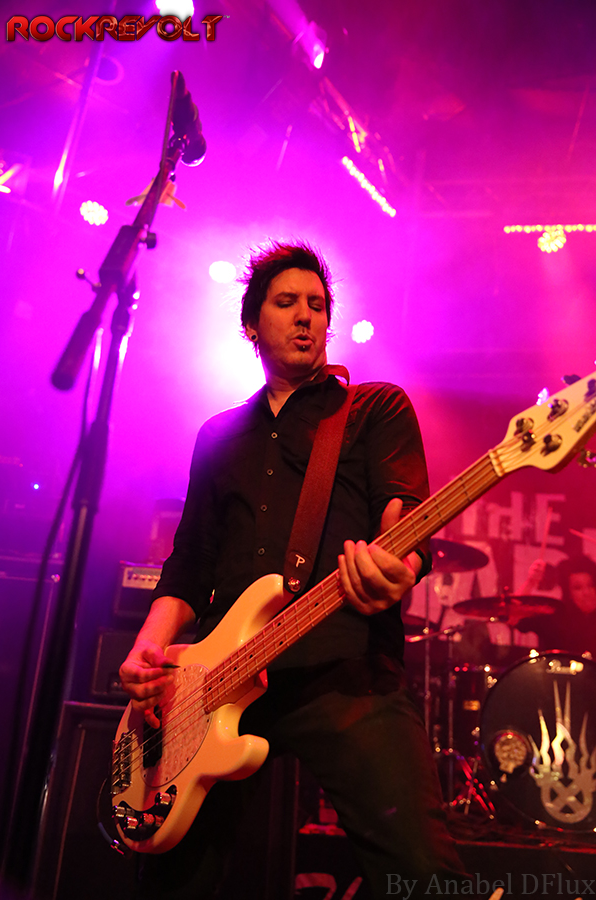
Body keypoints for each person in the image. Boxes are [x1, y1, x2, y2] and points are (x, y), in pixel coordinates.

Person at [119, 241, 468, 899]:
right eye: (287, 302)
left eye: (317, 304)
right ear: (251, 324)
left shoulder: (373, 409)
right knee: (175, 881)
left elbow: (404, 514)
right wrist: (148, 648)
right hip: (217, 682)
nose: (307, 315)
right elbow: (189, 565)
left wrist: (402, 562)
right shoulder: (218, 435)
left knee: (423, 873)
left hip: (345, 668)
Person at [516, 554, 596, 658]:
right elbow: (515, 615)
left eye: (591, 585)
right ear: (569, 593)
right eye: (578, 588)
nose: (586, 592)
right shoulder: (555, 616)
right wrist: (531, 582)